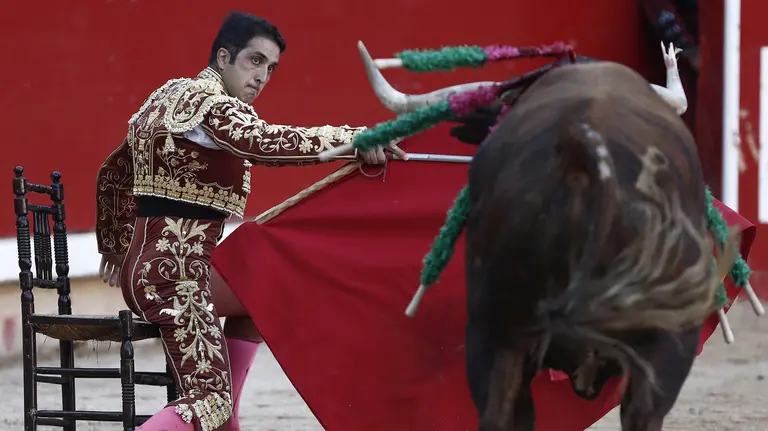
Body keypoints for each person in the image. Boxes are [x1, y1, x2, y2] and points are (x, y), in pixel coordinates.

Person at [94, 11, 403, 430]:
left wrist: (115, 246)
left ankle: (230, 422)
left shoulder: (168, 95)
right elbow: (262, 143)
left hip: (159, 268)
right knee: (209, 400)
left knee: (260, 292)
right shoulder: (212, 104)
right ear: (224, 57)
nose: (262, 76)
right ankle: (224, 414)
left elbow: (115, 170)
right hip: (176, 277)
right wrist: (356, 139)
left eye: (270, 67)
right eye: (254, 61)